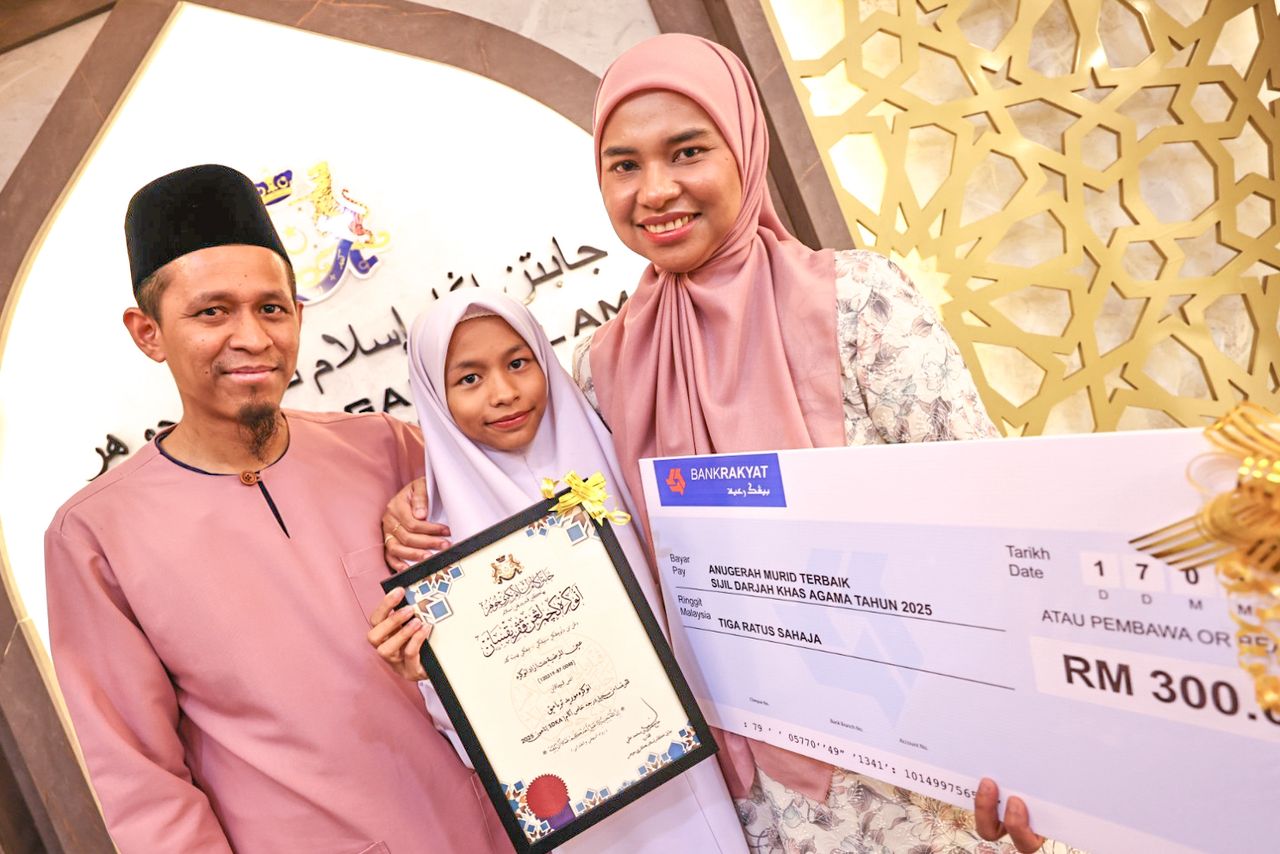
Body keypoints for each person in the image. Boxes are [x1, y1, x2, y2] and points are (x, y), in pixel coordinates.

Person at [570, 34, 1079, 854]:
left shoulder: (856, 300)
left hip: (928, 766)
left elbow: (993, 522)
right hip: (754, 799)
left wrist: (1033, 740)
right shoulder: (602, 371)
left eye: (688, 151)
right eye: (623, 165)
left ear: (746, 148)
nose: (655, 190)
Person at [44, 165, 506, 853]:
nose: (254, 338)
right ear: (148, 332)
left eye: (271, 308)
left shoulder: (385, 448)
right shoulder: (96, 535)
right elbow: (143, 783)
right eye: (212, 312)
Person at [365, 289, 749, 853]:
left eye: (518, 362)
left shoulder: (621, 458)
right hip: (583, 812)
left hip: (691, 762)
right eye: (469, 378)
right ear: (434, 396)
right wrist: (433, 675)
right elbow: (477, 737)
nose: (504, 392)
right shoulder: (431, 543)